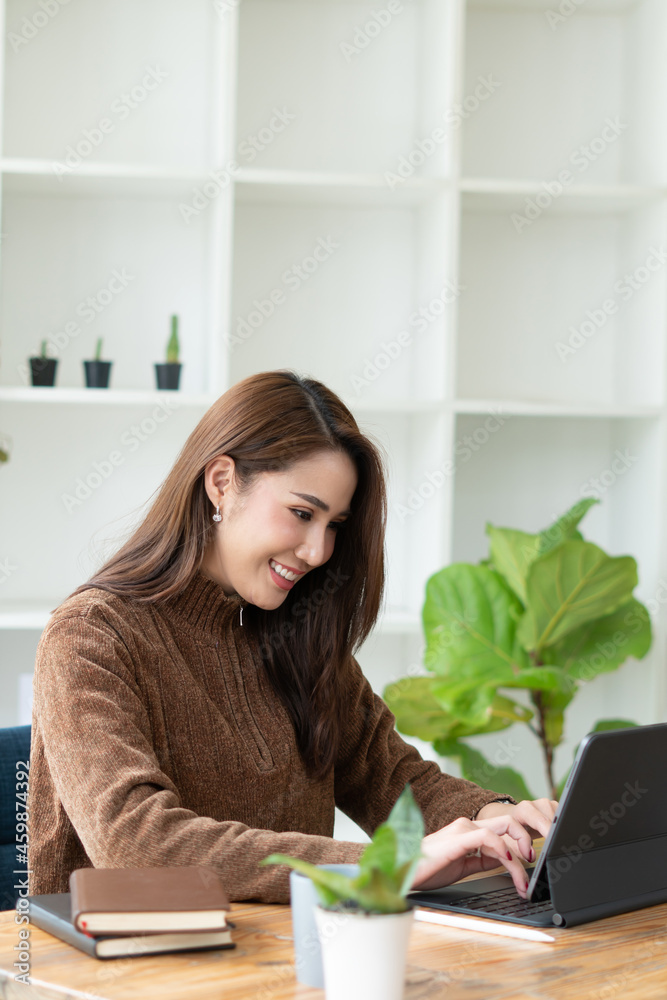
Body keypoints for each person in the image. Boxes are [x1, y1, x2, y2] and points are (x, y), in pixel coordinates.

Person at [28, 370, 556, 902]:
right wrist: (386, 864)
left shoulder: (297, 633)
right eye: (302, 513)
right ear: (221, 482)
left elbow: (391, 778)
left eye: (334, 525)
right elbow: (137, 844)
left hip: (287, 962)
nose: (318, 551)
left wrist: (500, 817)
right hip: (125, 973)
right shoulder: (90, 636)